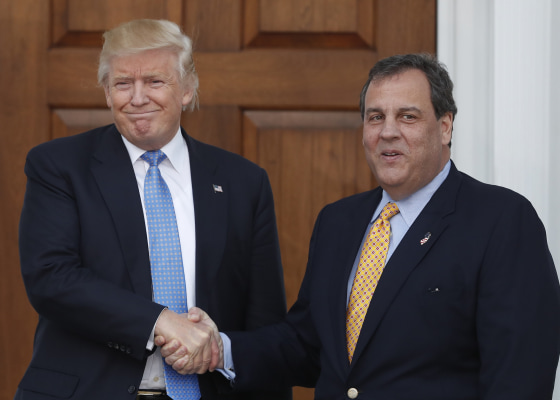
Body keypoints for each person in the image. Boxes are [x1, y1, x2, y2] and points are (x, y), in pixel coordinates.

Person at [162, 53, 560, 399]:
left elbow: (519, 378)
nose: (388, 131)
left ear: (445, 127)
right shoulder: (339, 221)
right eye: (375, 117)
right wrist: (220, 349)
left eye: (407, 116)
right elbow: (307, 347)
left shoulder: (502, 220)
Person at [16, 19, 290, 400]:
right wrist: (162, 322)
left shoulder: (244, 182)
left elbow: (265, 321)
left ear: (187, 89)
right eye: (123, 83)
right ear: (107, 92)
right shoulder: (59, 166)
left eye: (155, 82)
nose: (138, 98)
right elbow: (51, 278)